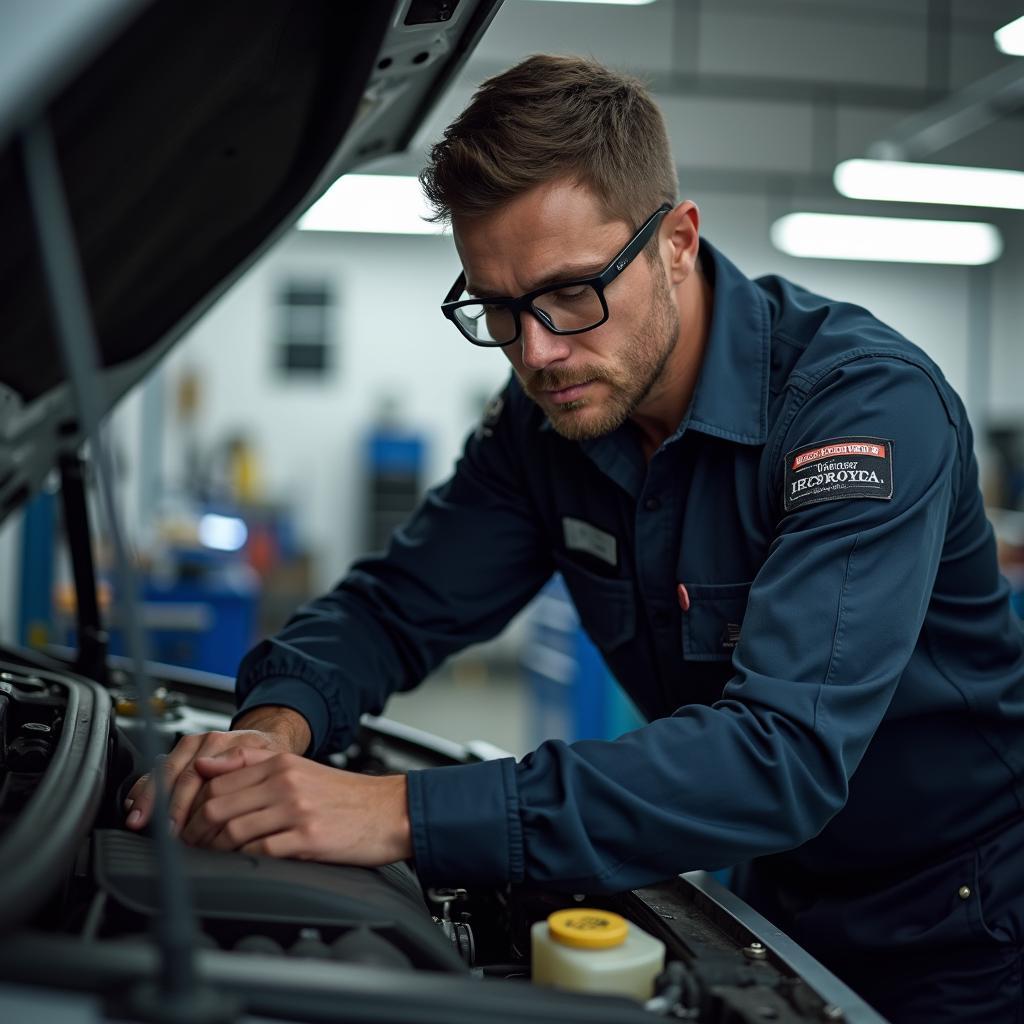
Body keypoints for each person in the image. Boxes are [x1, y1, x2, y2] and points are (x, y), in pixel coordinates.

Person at [125, 55, 1024, 1022]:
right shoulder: (546, 428)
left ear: (676, 243)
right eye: (497, 309)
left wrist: (392, 813)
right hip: (772, 896)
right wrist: (271, 734)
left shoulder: (860, 408)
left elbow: (781, 758)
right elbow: (393, 610)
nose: (537, 352)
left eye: (569, 294)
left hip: (963, 924)